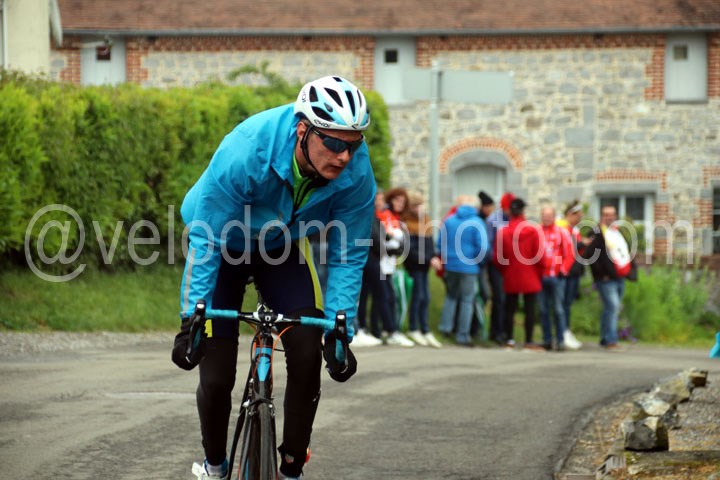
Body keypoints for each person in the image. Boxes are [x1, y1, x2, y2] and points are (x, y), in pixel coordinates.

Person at [173, 76, 374, 480]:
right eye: (333, 143)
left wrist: (340, 330)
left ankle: (292, 467)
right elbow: (206, 239)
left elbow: (348, 253)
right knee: (217, 376)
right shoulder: (247, 150)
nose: (343, 157)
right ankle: (215, 466)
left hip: (279, 247)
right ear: (302, 130)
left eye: (353, 145)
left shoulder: (356, 171)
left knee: (306, 349)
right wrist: (191, 317)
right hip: (222, 243)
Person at [437, 195, 489, 346]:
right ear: (476, 207)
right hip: (469, 267)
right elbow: (483, 248)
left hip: (451, 265)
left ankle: (445, 328)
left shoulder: (449, 220)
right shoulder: (477, 222)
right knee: (467, 300)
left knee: (451, 296)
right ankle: (463, 335)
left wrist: (447, 259)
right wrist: (478, 262)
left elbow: (440, 243)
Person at [494, 197, 545, 351]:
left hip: (511, 273)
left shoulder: (503, 232)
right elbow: (539, 256)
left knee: (509, 308)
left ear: (510, 212)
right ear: (523, 211)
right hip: (530, 273)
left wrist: (505, 271)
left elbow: (498, 258)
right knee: (530, 309)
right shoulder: (533, 231)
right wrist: (539, 272)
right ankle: (528, 340)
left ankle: (509, 339)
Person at [583, 205, 633, 350]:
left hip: (619, 276)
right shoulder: (597, 232)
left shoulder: (617, 232)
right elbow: (590, 255)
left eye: (612, 214)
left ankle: (605, 338)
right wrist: (601, 274)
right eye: (606, 214)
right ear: (601, 216)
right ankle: (611, 340)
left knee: (609, 309)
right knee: (613, 306)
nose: (609, 217)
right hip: (605, 279)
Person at [356, 191, 397, 347]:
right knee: (381, 294)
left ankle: (369, 329)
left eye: (381, 199)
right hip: (371, 260)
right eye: (377, 199)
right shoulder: (369, 216)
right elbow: (375, 238)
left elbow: (382, 236)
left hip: (370, 259)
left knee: (367, 295)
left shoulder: (373, 217)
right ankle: (389, 329)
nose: (380, 202)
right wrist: (385, 251)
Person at [402, 191, 443, 347]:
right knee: (418, 296)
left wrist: (434, 257)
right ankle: (414, 328)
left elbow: (429, 245)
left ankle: (425, 329)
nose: (419, 208)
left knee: (425, 297)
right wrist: (428, 259)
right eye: (416, 206)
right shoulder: (406, 223)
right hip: (414, 266)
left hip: (425, 266)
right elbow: (410, 250)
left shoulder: (426, 221)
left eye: (420, 205)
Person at [376, 188, 415, 347]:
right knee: (384, 297)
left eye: (403, 202)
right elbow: (383, 238)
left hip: (390, 263)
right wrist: (393, 247)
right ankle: (387, 330)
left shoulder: (395, 217)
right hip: (380, 261)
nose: (400, 204)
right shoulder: (383, 215)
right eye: (397, 200)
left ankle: (386, 330)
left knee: (388, 297)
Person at [538, 206, 572, 351]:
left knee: (558, 309)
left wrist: (563, 269)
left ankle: (560, 340)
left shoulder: (561, 232)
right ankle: (547, 339)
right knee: (543, 310)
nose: (547, 218)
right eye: (544, 215)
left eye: (549, 215)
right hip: (541, 277)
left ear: (554, 217)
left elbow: (569, 253)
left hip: (557, 277)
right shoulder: (537, 232)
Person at [556, 200, 588, 350]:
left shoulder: (574, 229)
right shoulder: (562, 227)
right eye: (578, 216)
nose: (579, 219)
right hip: (565, 272)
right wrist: (583, 244)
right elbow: (567, 247)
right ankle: (563, 332)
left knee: (568, 304)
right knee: (563, 304)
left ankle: (566, 330)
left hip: (574, 271)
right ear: (571, 214)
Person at [485, 192, 514, 345]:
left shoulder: (514, 220)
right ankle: (496, 332)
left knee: (508, 299)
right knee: (499, 298)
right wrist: (496, 260)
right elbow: (489, 243)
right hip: (496, 265)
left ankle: (505, 331)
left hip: (510, 266)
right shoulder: (492, 220)